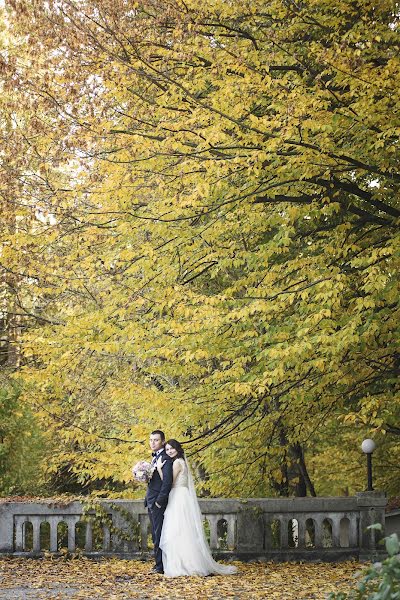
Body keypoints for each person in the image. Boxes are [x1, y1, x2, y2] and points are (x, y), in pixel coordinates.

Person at [157, 439, 237, 577]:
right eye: (167, 449)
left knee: (178, 529)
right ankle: (187, 562)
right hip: (182, 495)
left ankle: (183, 565)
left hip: (178, 496)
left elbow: (168, 482)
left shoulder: (177, 463)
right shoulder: (181, 461)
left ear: (178, 448)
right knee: (184, 530)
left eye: (172, 448)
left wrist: (159, 468)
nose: (169, 451)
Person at [144, 430, 173, 574]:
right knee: (155, 533)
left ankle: (160, 566)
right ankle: (158, 564)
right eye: (150, 440)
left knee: (159, 533)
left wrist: (158, 503)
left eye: (155, 440)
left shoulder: (165, 458)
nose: (152, 443)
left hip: (157, 503)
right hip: (150, 501)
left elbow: (167, 483)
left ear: (162, 441)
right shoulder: (155, 457)